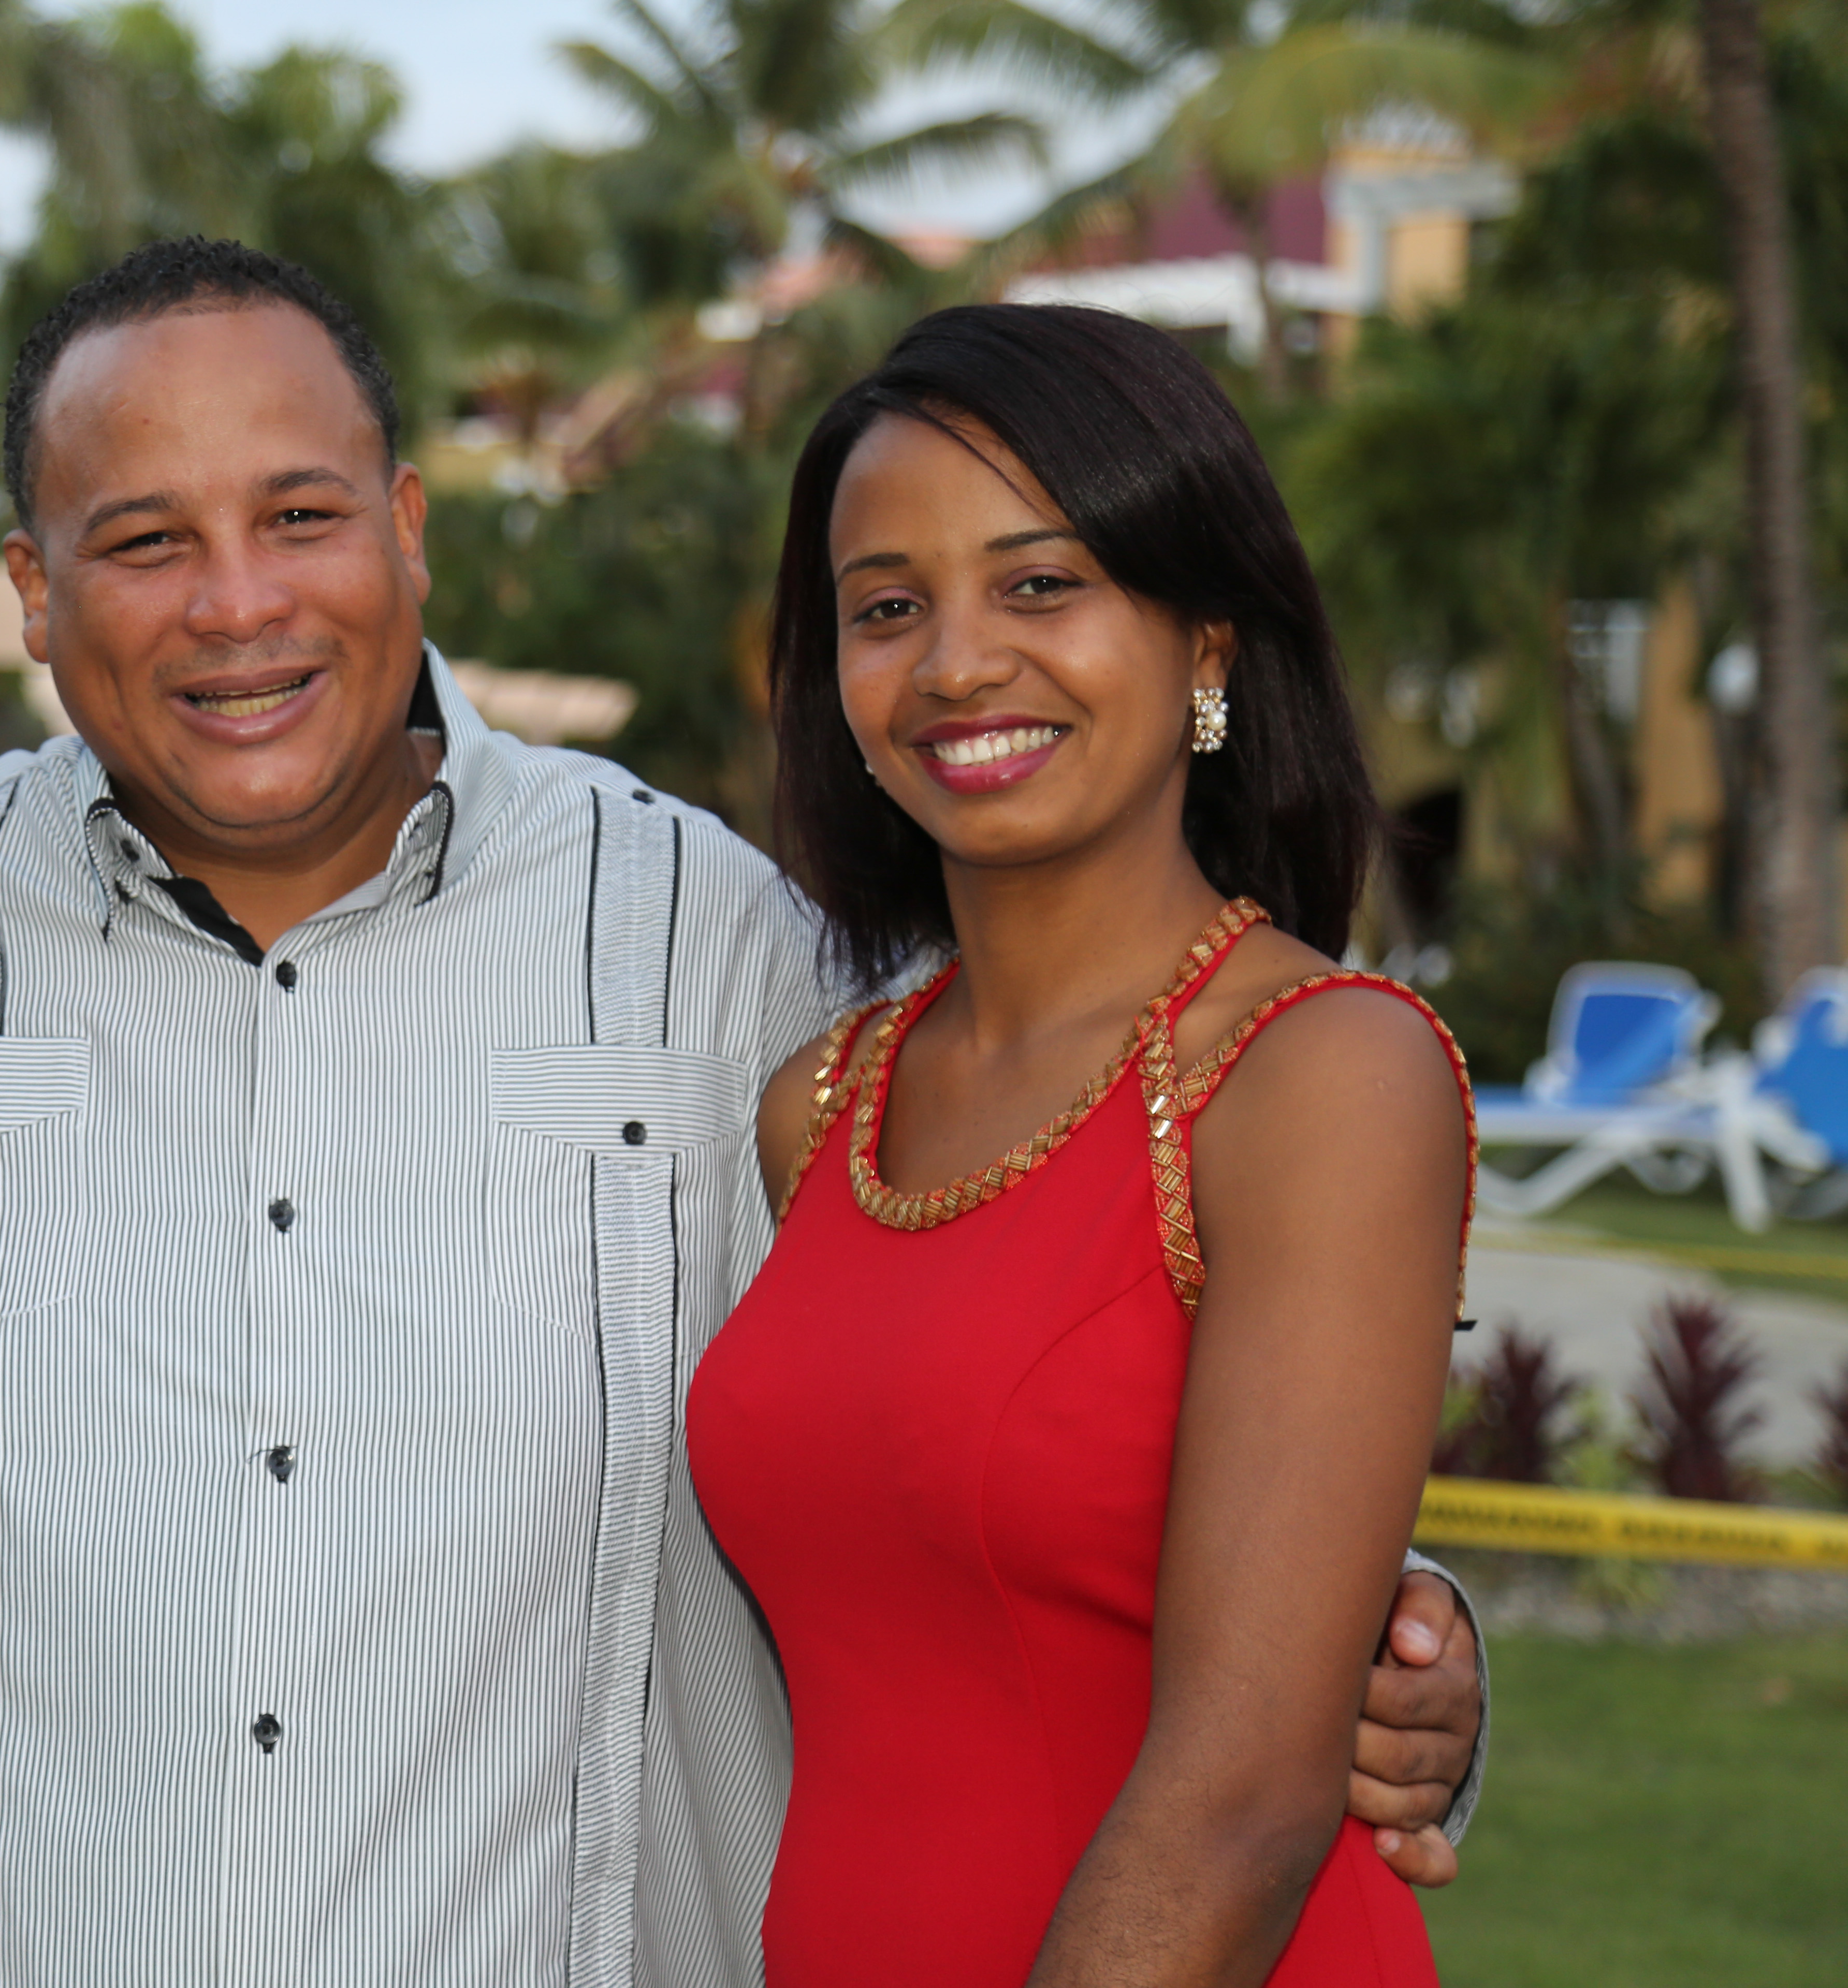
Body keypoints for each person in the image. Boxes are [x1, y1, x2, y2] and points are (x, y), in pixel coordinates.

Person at [0, 239, 1486, 1988]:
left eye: (300, 517)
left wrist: (1378, 1623)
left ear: (407, 527)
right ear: (33, 588)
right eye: (145, 541)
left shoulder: (722, 954)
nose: (237, 602)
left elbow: (1040, 1330)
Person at [688, 303, 1472, 1986]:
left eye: (1041, 584)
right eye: (887, 607)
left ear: (1207, 645)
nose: (959, 662)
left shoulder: (1322, 1073)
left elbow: (1241, 1804)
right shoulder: (820, 1111)